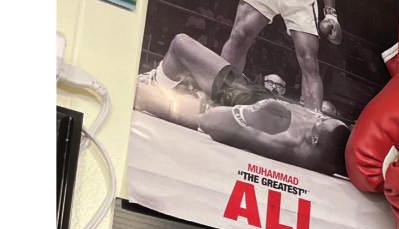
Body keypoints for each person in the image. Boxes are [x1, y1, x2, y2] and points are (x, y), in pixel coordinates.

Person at [135, 33, 349, 176]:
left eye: (320, 121)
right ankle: (157, 82)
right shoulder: (336, 135)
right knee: (180, 43)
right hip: (253, 95)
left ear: (313, 140)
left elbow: (209, 121)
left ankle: (153, 88)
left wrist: (245, 114)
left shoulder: (284, 140)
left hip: (240, 109)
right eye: (322, 116)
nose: (316, 116)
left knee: (138, 93)